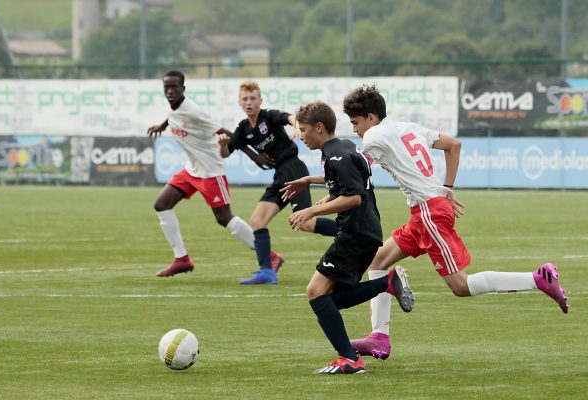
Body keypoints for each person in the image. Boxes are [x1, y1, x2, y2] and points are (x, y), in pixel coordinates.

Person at [341, 84, 570, 360]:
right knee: (377, 262)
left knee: (461, 286)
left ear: (370, 117)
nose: (355, 130)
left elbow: (354, 171)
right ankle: (379, 337)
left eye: (355, 123)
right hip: (426, 211)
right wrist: (447, 186)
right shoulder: (408, 128)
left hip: (429, 214)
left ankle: (538, 279)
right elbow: (453, 145)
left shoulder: (375, 135)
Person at [280, 101, 413, 374]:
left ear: (319, 127)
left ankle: (349, 359)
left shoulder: (336, 154)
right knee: (331, 299)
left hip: (355, 234)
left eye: (303, 130)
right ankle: (387, 283)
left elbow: (353, 197)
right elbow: (347, 181)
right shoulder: (342, 148)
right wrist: (307, 181)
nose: (300, 136)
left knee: (315, 292)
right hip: (364, 232)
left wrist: (312, 210)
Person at [147, 70, 281, 278]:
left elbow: (227, 133)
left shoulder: (194, 111)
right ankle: (181, 259)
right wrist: (162, 125)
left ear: (183, 89)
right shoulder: (174, 106)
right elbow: (173, 115)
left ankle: (270, 256)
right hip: (192, 170)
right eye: (167, 87)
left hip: (210, 171)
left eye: (175, 87)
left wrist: (254, 156)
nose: (170, 91)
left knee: (224, 217)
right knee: (161, 205)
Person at [218, 80, 339, 285]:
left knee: (306, 223)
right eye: (245, 99)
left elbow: (288, 117)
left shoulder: (268, 116)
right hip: (280, 176)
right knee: (257, 221)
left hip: (293, 170)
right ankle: (267, 272)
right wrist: (222, 145)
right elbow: (226, 153)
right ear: (239, 102)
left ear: (260, 100)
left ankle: (350, 233)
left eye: (253, 98)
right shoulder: (243, 128)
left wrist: (297, 127)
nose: (249, 102)